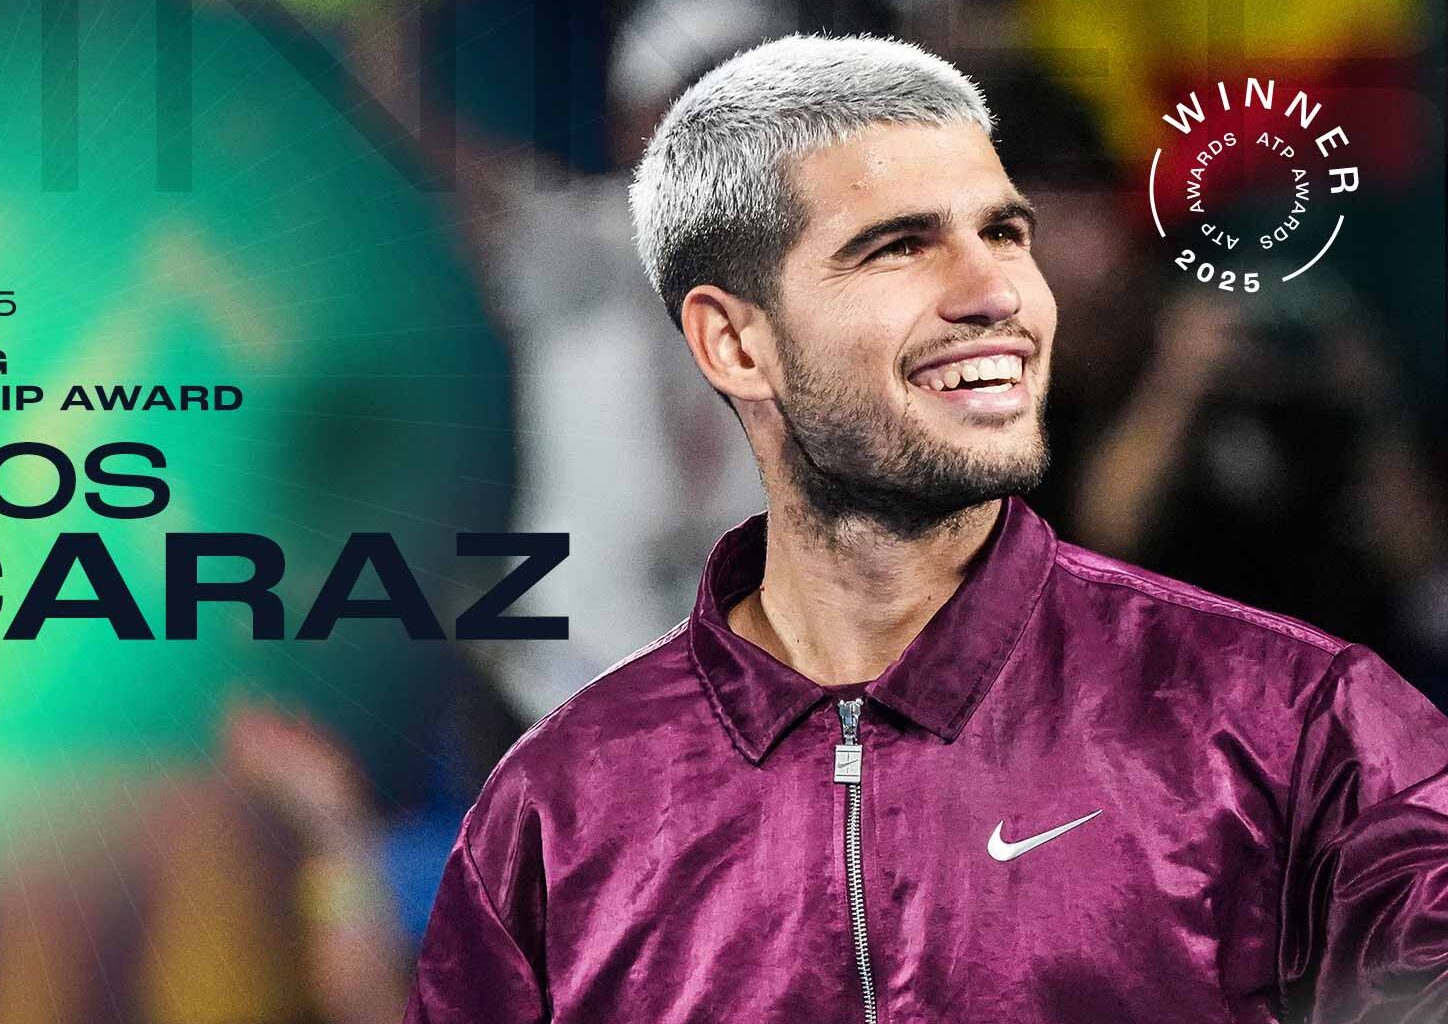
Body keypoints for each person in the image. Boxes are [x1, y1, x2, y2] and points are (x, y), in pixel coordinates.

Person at [403, 34, 1448, 1024]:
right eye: (898, 248)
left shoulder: (1298, 723)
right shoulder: (556, 809)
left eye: (1005, 235)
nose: (997, 294)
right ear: (735, 343)